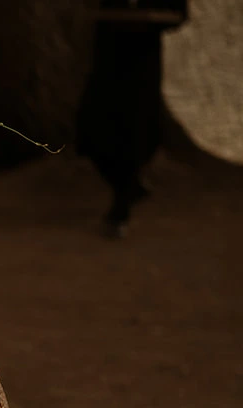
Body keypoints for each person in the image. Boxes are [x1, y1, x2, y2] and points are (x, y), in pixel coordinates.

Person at [76, 0, 190, 236]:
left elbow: (179, 14)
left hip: (141, 58)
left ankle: (121, 207)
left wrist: (150, 21)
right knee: (89, 128)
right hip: (107, 55)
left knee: (132, 129)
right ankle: (129, 186)